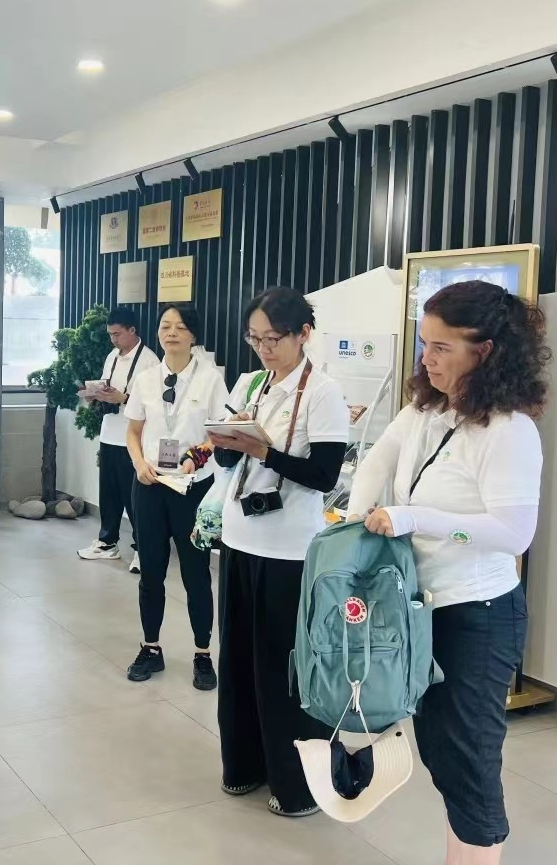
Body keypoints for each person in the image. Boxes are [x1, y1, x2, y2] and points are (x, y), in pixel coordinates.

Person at [348, 280, 548, 864]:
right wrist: (357, 517)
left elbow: (513, 534)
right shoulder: (427, 408)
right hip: (425, 607)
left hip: (478, 616)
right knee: (441, 752)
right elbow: (379, 456)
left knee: (468, 762)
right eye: (424, 344)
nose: (427, 359)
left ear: (486, 352)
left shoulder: (509, 432)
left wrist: (414, 518)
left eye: (442, 347)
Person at [208, 288, 350, 818]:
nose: (264, 349)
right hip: (239, 538)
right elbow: (228, 464)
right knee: (238, 661)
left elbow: (324, 476)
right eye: (254, 339)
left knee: (282, 668)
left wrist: (265, 451)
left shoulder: (323, 393)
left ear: (303, 334)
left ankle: (296, 784)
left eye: (273, 339)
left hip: (290, 550)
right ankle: (243, 765)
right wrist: (227, 444)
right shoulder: (251, 383)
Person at [123, 304, 228, 690]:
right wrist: (139, 464)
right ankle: (150, 648)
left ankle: (203, 654)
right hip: (150, 486)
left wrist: (194, 458)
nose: (171, 333)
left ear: (193, 335)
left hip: (192, 488)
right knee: (150, 571)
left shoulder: (211, 380)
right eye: (165, 326)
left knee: (196, 574)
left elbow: (219, 434)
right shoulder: (146, 379)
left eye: (180, 327)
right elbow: (133, 431)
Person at [78, 306, 159, 571]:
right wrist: (95, 394)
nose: (113, 339)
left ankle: (143, 549)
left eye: (117, 334)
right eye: (110, 334)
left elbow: (154, 404)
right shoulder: (112, 356)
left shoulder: (149, 361)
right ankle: (107, 542)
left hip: (133, 439)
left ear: (132, 330)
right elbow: (106, 386)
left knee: (135, 499)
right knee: (109, 494)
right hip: (109, 432)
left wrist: (123, 398)